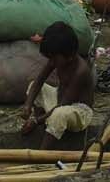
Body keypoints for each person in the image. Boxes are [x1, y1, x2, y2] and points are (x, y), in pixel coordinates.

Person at [21, 21, 94, 149]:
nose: (51, 62)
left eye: (54, 58)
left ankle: (42, 154)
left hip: (78, 113)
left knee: (58, 115)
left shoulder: (81, 71)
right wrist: (27, 105)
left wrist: (35, 121)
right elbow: (39, 82)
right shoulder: (56, 59)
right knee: (35, 87)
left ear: (70, 56)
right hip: (59, 103)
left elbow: (64, 105)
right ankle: (45, 124)